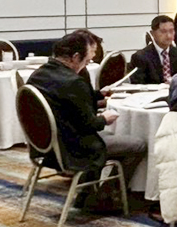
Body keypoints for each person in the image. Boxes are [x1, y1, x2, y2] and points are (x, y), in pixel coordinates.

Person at [28, 32, 146, 205]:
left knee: (110, 137)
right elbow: (90, 124)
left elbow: (68, 101)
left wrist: (99, 94)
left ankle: (88, 192)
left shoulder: (38, 75)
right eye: (87, 60)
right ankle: (107, 196)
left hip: (45, 148)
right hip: (72, 149)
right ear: (76, 57)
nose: (88, 63)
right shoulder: (74, 82)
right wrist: (105, 118)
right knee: (138, 144)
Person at [131, 15, 177, 84]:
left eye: (171, 31)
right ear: (152, 33)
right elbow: (138, 85)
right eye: (163, 31)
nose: (168, 36)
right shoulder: (140, 57)